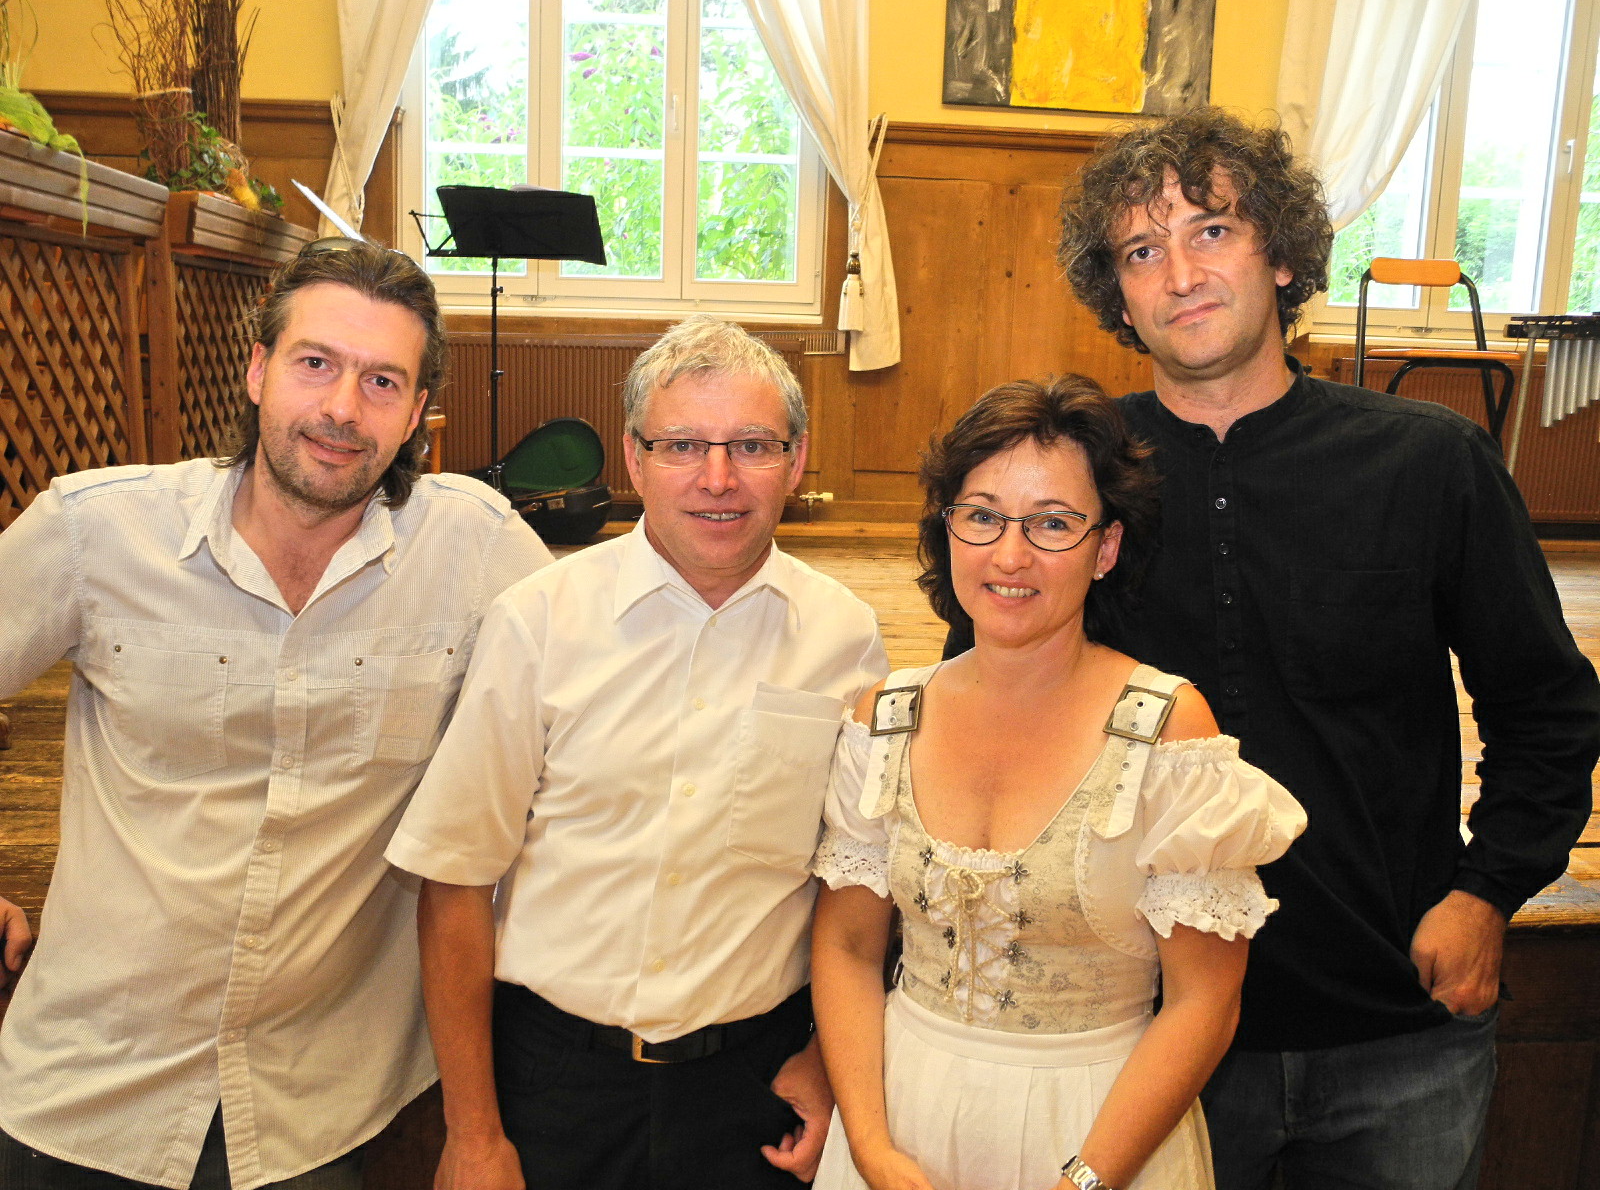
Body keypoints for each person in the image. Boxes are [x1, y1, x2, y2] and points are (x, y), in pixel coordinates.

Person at [1018, 107, 1599, 1189]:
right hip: (1146, 1029)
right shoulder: (1074, 476)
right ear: (1117, 295)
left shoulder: (1429, 463)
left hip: (1395, 1019)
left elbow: (1546, 707)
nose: (1179, 274)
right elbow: (991, 705)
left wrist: (1487, 890)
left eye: (1212, 231)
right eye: (1141, 251)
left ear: (1281, 256)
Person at [0, 240, 553, 1190]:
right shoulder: (96, 531)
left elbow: (598, 703)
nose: (343, 408)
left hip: (320, 1110)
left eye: (382, 381)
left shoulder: (473, 547)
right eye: (316, 363)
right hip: (89, 1088)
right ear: (258, 371)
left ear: (418, 414)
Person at [385, 315, 890, 1190]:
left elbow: (853, 881)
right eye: (682, 445)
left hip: (757, 1086)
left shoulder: (844, 637)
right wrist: (472, 1134)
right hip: (555, 1085)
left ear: (797, 460)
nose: (718, 478)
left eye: (753, 446)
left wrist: (825, 1058)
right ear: (633, 458)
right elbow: (455, 880)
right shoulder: (538, 621)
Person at [811, 376, 1306, 1190]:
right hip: (899, 1116)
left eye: (1052, 523)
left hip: (1100, 1133)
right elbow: (847, 947)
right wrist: (869, 1146)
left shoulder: (1167, 728)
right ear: (947, 528)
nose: (1010, 556)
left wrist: (1085, 1180)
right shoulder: (888, 716)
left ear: (1105, 548)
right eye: (982, 516)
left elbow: (1204, 1003)